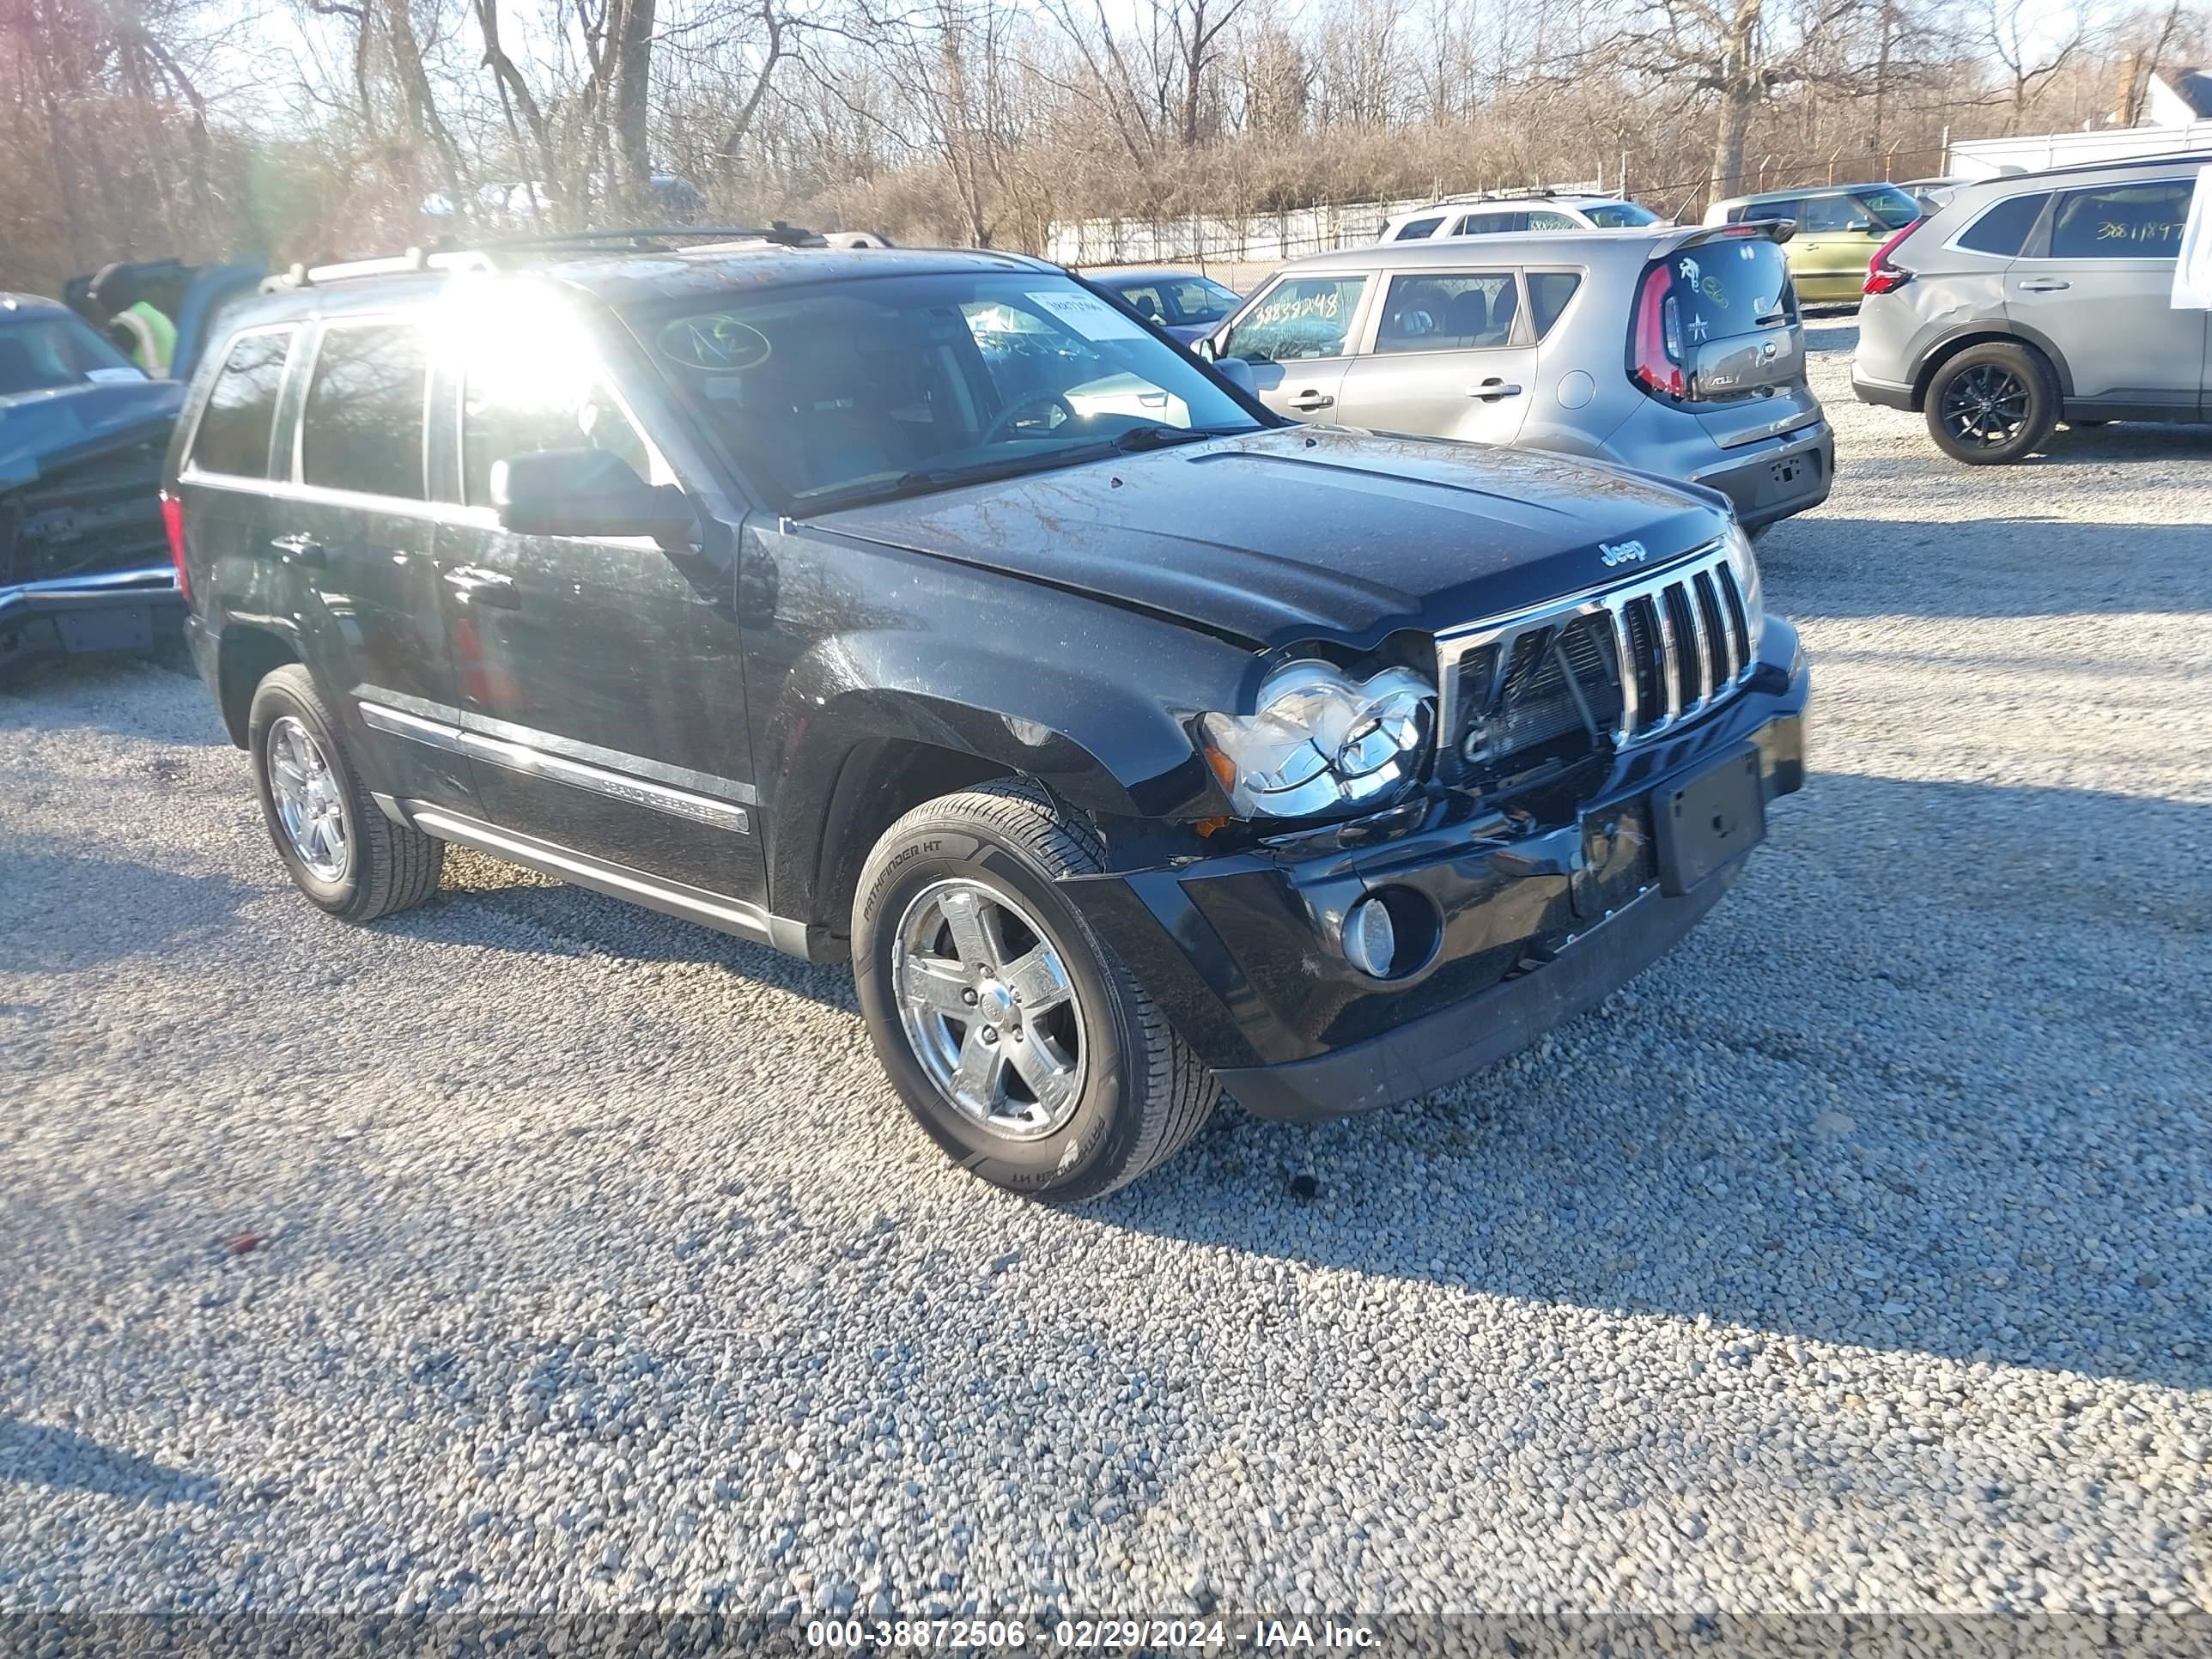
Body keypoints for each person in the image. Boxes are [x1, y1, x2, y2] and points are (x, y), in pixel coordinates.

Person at [88, 264, 176, 376]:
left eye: (100, 299)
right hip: (169, 387)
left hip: (147, 388)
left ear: (112, 296)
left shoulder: (127, 322)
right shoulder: (155, 315)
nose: (100, 306)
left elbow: (106, 365)